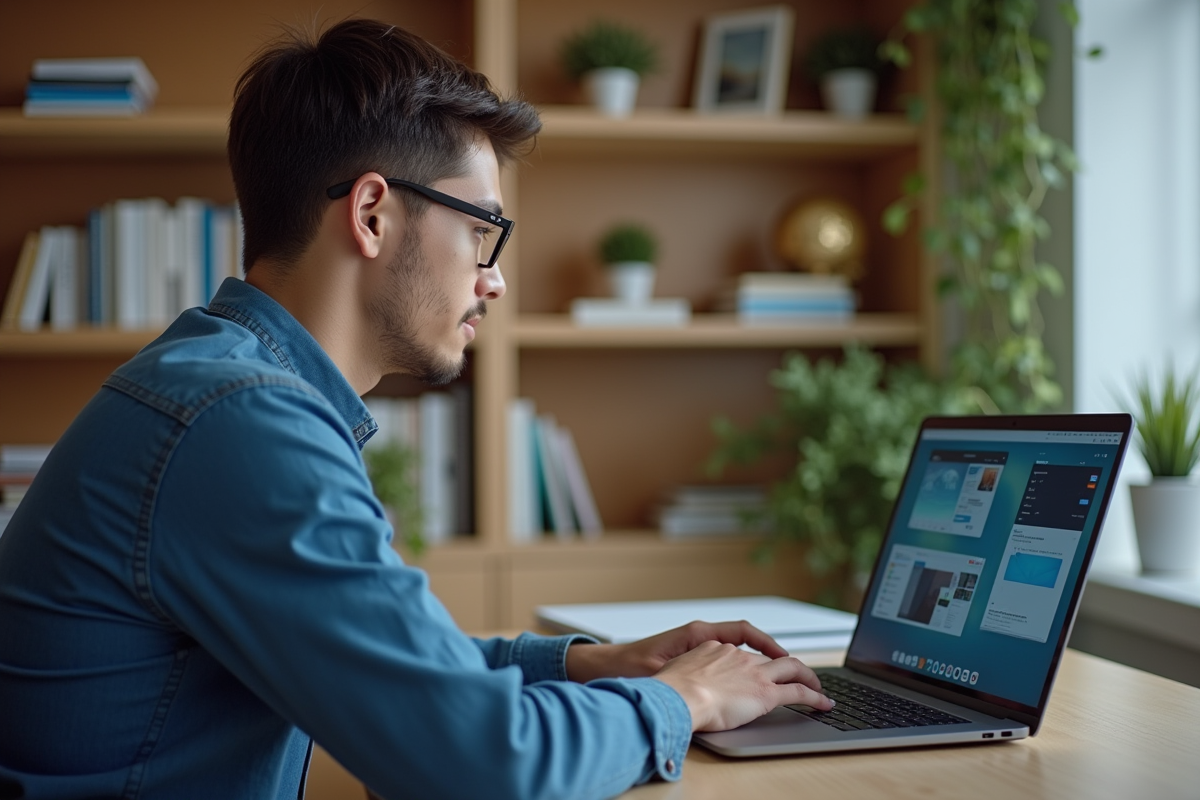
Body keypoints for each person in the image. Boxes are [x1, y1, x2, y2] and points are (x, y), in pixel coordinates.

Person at [0, 19, 833, 800]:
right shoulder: (240, 421)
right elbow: (475, 764)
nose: (494, 279)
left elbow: (392, 672)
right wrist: (686, 700)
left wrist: (594, 665)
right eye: (481, 232)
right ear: (372, 215)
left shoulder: (219, 384)